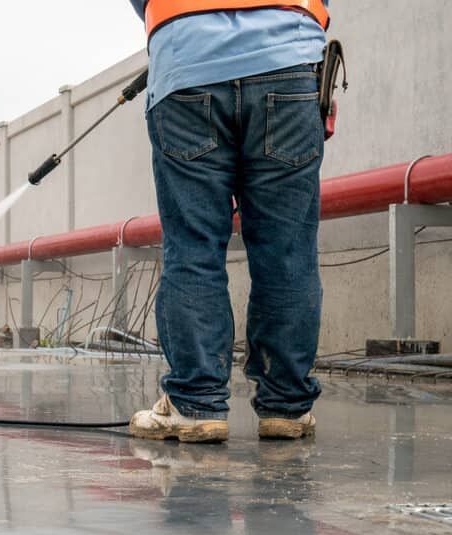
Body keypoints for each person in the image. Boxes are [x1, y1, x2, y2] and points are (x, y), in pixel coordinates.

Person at [127, 0, 330, 443]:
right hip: (288, 62)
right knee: (288, 250)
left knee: (193, 247)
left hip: (187, 67)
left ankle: (196, 405)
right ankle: (286, 408)